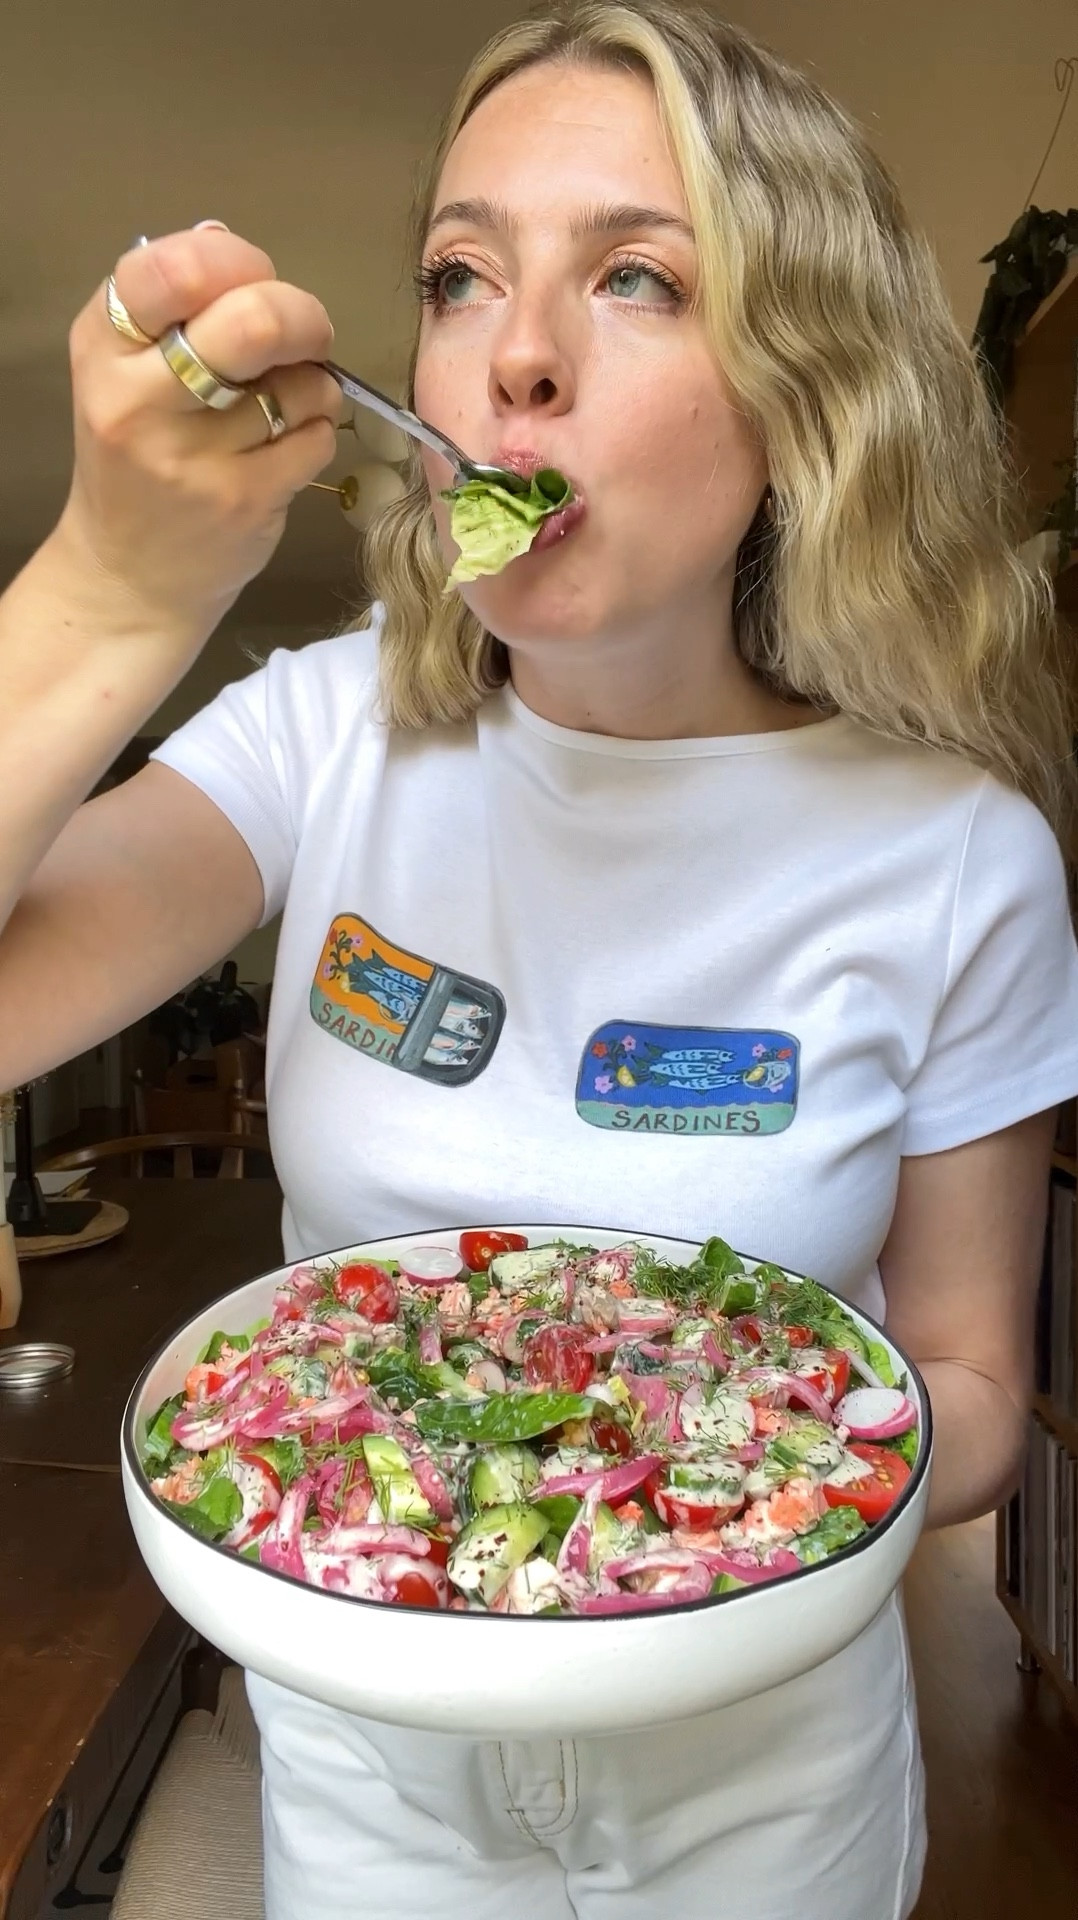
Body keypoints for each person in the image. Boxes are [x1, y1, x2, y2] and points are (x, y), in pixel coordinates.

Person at [1, 3, 1076, 1914]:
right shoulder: (325, 736)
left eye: (639, 278)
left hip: (766, 1786)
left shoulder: (955, 857)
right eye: (457, 271)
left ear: (801, 384)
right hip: (366, 1769)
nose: (513, 356)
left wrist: (737, 1471)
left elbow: (968, 1381)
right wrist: (106, 592)